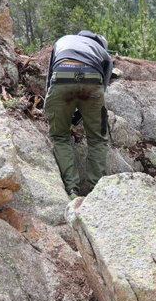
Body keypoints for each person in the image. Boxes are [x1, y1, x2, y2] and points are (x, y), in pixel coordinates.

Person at [45, 30, 113, 199]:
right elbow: (101, 89)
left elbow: (49, 80)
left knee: (60, 137)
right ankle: (97, 192)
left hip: (61, 75)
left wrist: (60, 112)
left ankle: (72, 190)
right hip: (92, 78)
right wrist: (78, 117)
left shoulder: (63, 40)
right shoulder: (103, 53)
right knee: (97, 139)